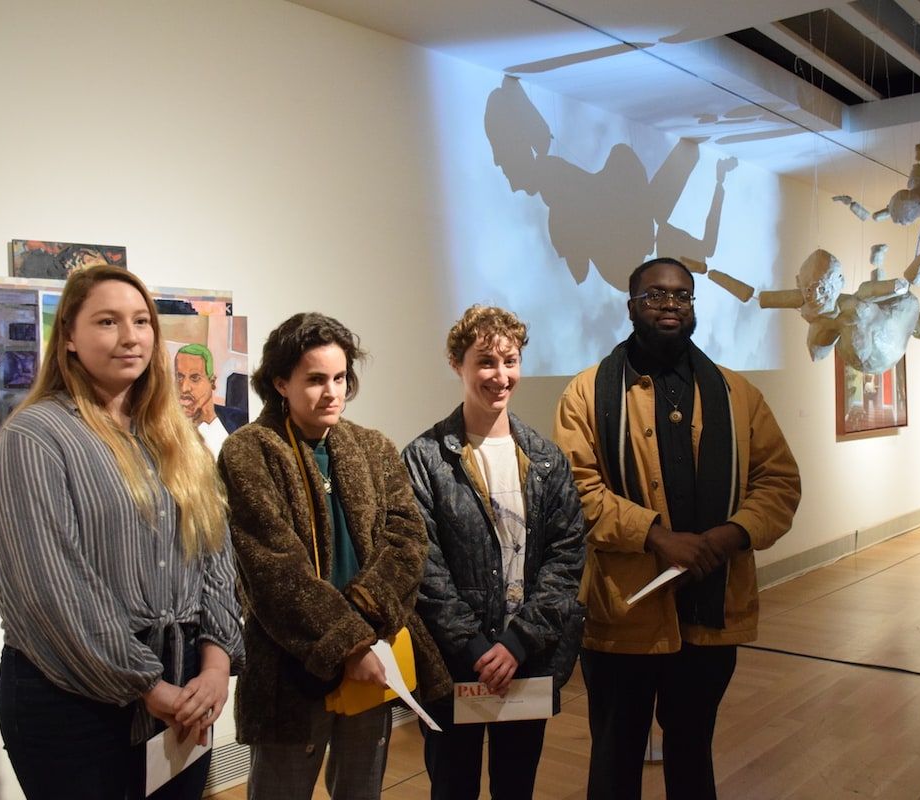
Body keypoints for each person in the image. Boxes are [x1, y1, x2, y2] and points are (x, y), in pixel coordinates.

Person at [0, 265, 245, 800]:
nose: (130, 337)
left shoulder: (178, 436)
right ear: (70, 337)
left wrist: (216, 662)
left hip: (184, 685)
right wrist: (147, 685)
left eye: (141, 321)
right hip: (71, 699)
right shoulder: (36, 437)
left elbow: (215, 556)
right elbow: (50, 588)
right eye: (107, 321)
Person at [553, 257, 801, 800]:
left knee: (692, 751)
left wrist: (727, 537)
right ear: (631, 307)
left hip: (710, 608)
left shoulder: (737, 395)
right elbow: (578, 492)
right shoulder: (586, 393)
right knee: (615, 757)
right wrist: (657, 537)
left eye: (681, 296)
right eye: (655, 295)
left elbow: (779, 483)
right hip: (624, 614)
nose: (669, 304)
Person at [218, 312, 450, 800]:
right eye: (316, 379)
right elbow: (274, 569)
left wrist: (364, 634)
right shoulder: (248, 452)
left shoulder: (372, 447)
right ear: (280, 382)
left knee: (361, 789)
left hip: (373, 654)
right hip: (291, 667)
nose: (332, 392)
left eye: (340, 378)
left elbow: (408, 540)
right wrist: (349, 647)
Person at [402, 305, 586, 800]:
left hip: (527, 661)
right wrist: (475, 648)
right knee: (452, 787)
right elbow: (423, 564)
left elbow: (567, 557)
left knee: (516, 787)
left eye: (510, 361)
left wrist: (518, 641)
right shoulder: (423, 459)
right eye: (485, 361)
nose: (500, 376)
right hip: (453, 665)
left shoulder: (546, 459)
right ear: (457, 364)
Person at [175, 342, 247, 455]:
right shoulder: (170, 430)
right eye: (179, 377)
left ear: (212, 382)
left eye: (195, 378)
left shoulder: (240, 422)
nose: (184, 388)